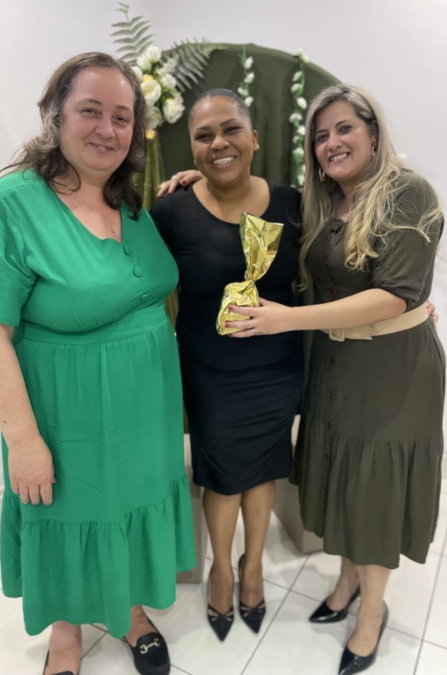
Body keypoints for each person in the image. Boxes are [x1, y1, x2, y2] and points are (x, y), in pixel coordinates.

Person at [0, 52, 195, 675]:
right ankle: (66, 635)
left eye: (122, 117)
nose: (107, 129)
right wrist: (23, 442)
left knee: (126, 507)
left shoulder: (130, 201)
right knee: (68, 515)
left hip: (144, 414)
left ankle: (128, 611)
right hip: (65, 415)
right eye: (90, 111)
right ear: (56, 116)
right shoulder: (10, 205)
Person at [227, 84, 445, 675]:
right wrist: (193, 182)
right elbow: (254, 201)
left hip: (391, 372)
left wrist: (286, 320)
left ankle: (371, 613)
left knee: (375, 490)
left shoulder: (407, 194)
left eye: (344, 128)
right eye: (321, 136)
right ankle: (347, 583)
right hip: (335, 366)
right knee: (347, 479)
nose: (332, 143)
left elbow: (394, 294)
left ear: (373, 132)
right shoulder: (324, 202)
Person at [150, 88, 302, 641]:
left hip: (276, 367)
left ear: (254, 138)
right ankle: (221, 568)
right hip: (210, 373)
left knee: (264, 469)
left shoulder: (293, 205)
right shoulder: (171, 210)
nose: (219, 143)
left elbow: (334, 267)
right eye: (204, 135)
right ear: (192, 149)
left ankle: (252, 566)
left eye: (231, 129)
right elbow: (136, 277)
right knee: (222, 476)